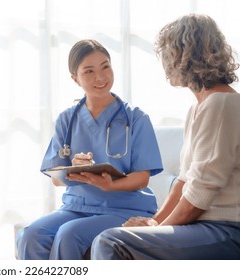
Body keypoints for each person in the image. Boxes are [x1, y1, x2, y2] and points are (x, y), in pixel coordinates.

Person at [91, 14, 240, 260]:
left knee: (112, 242)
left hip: (235, 233)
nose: (165, 64)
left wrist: (157, 229)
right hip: (207, 228)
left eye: (169, 54)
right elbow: (185, 181)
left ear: (189, 55)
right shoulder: (198, 108)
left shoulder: (221, 104)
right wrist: (153, 222)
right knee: (118, 236)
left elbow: (201, 192)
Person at [15, 39, 164, 260]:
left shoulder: (136, 118)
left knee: (69, 234)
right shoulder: (67, 119)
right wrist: (72, 169)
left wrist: (111, 184)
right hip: (76, 206)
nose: (100, 77)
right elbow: (56, 178)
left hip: (123, 208)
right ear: (75, 78)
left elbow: (142, 178)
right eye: (89, 71)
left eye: (105, 66)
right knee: (29, 235)